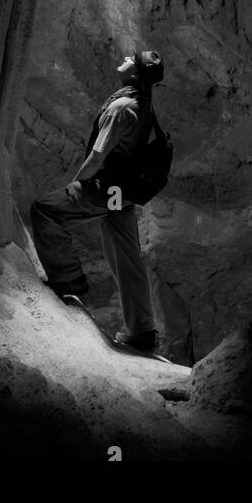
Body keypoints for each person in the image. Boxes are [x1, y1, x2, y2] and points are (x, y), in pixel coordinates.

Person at [30, 49, 165, 351]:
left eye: (132, 58)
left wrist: (79, 181)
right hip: (126, 193)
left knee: (45, 210)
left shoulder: (121, 107)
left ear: (136, 73)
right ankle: (142, 332)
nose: (127, 58)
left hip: (106, 189)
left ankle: (68, 281)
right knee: (127, 259)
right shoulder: (143, 104)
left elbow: (97, 155)